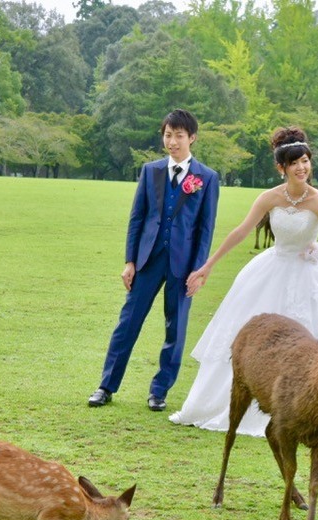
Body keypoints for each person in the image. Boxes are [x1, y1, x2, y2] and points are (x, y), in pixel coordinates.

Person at [169, 126, 318, 439]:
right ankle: (237, 404)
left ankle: (314, 406)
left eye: (306, 161)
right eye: (295, 163)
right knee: (253, 339)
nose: (302, 168)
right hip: (271, 271)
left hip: (312, 275)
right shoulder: (269, 198)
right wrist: (207, 267)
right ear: (282, 167)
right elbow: (241, 232)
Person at [88, 109, 220, 412]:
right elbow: (137, 218)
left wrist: (198, 271)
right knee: (127, 323)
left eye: (178, 135)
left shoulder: (207, 178)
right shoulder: (151, 171)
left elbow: (205, 228)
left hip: (184, 266)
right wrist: (129, 261)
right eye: (167, 135)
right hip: (147, 260)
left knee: (176, 329)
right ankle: (106, 386)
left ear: (192, 138)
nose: (172, 141)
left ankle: (159, 391)